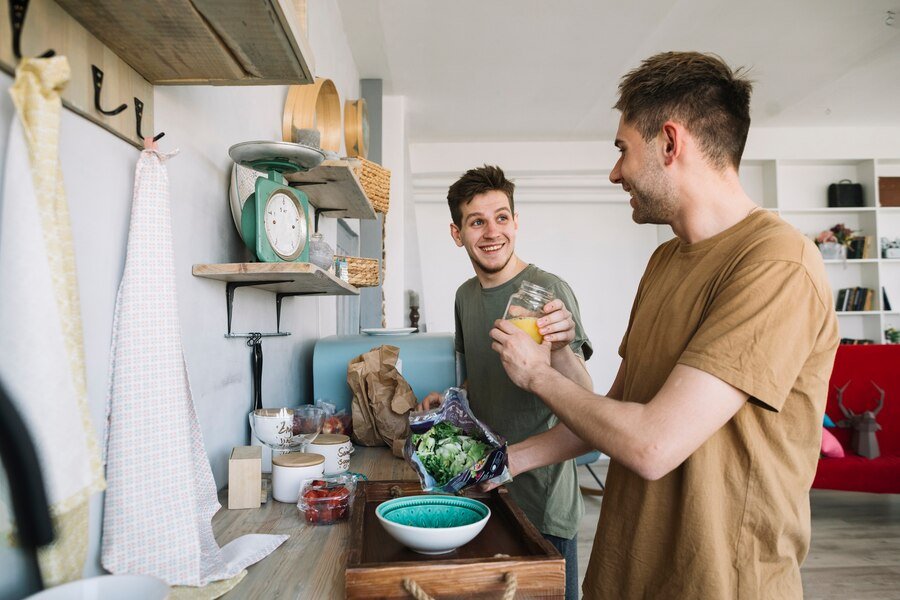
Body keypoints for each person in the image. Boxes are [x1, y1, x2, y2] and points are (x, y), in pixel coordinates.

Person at [487, 51, 839, 599]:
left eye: (623, 149)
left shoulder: (777, 263)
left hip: (717, 583)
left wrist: (537, 377)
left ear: (670, 143)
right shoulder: (666, 261)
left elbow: (653, 445)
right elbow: (614, 415)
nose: (615, 171)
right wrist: (505, 459)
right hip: (628, 571)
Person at [420, 165, 593, 600]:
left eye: (501, 217)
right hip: (482, 491)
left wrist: (559, 347)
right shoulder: (464, 296)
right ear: (457, 233)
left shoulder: (547, 289)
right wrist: (454, 398)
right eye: (476, 221)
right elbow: (480, 374)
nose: (491, 231)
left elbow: (587, 404)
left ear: (516, 223)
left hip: (542, 503)